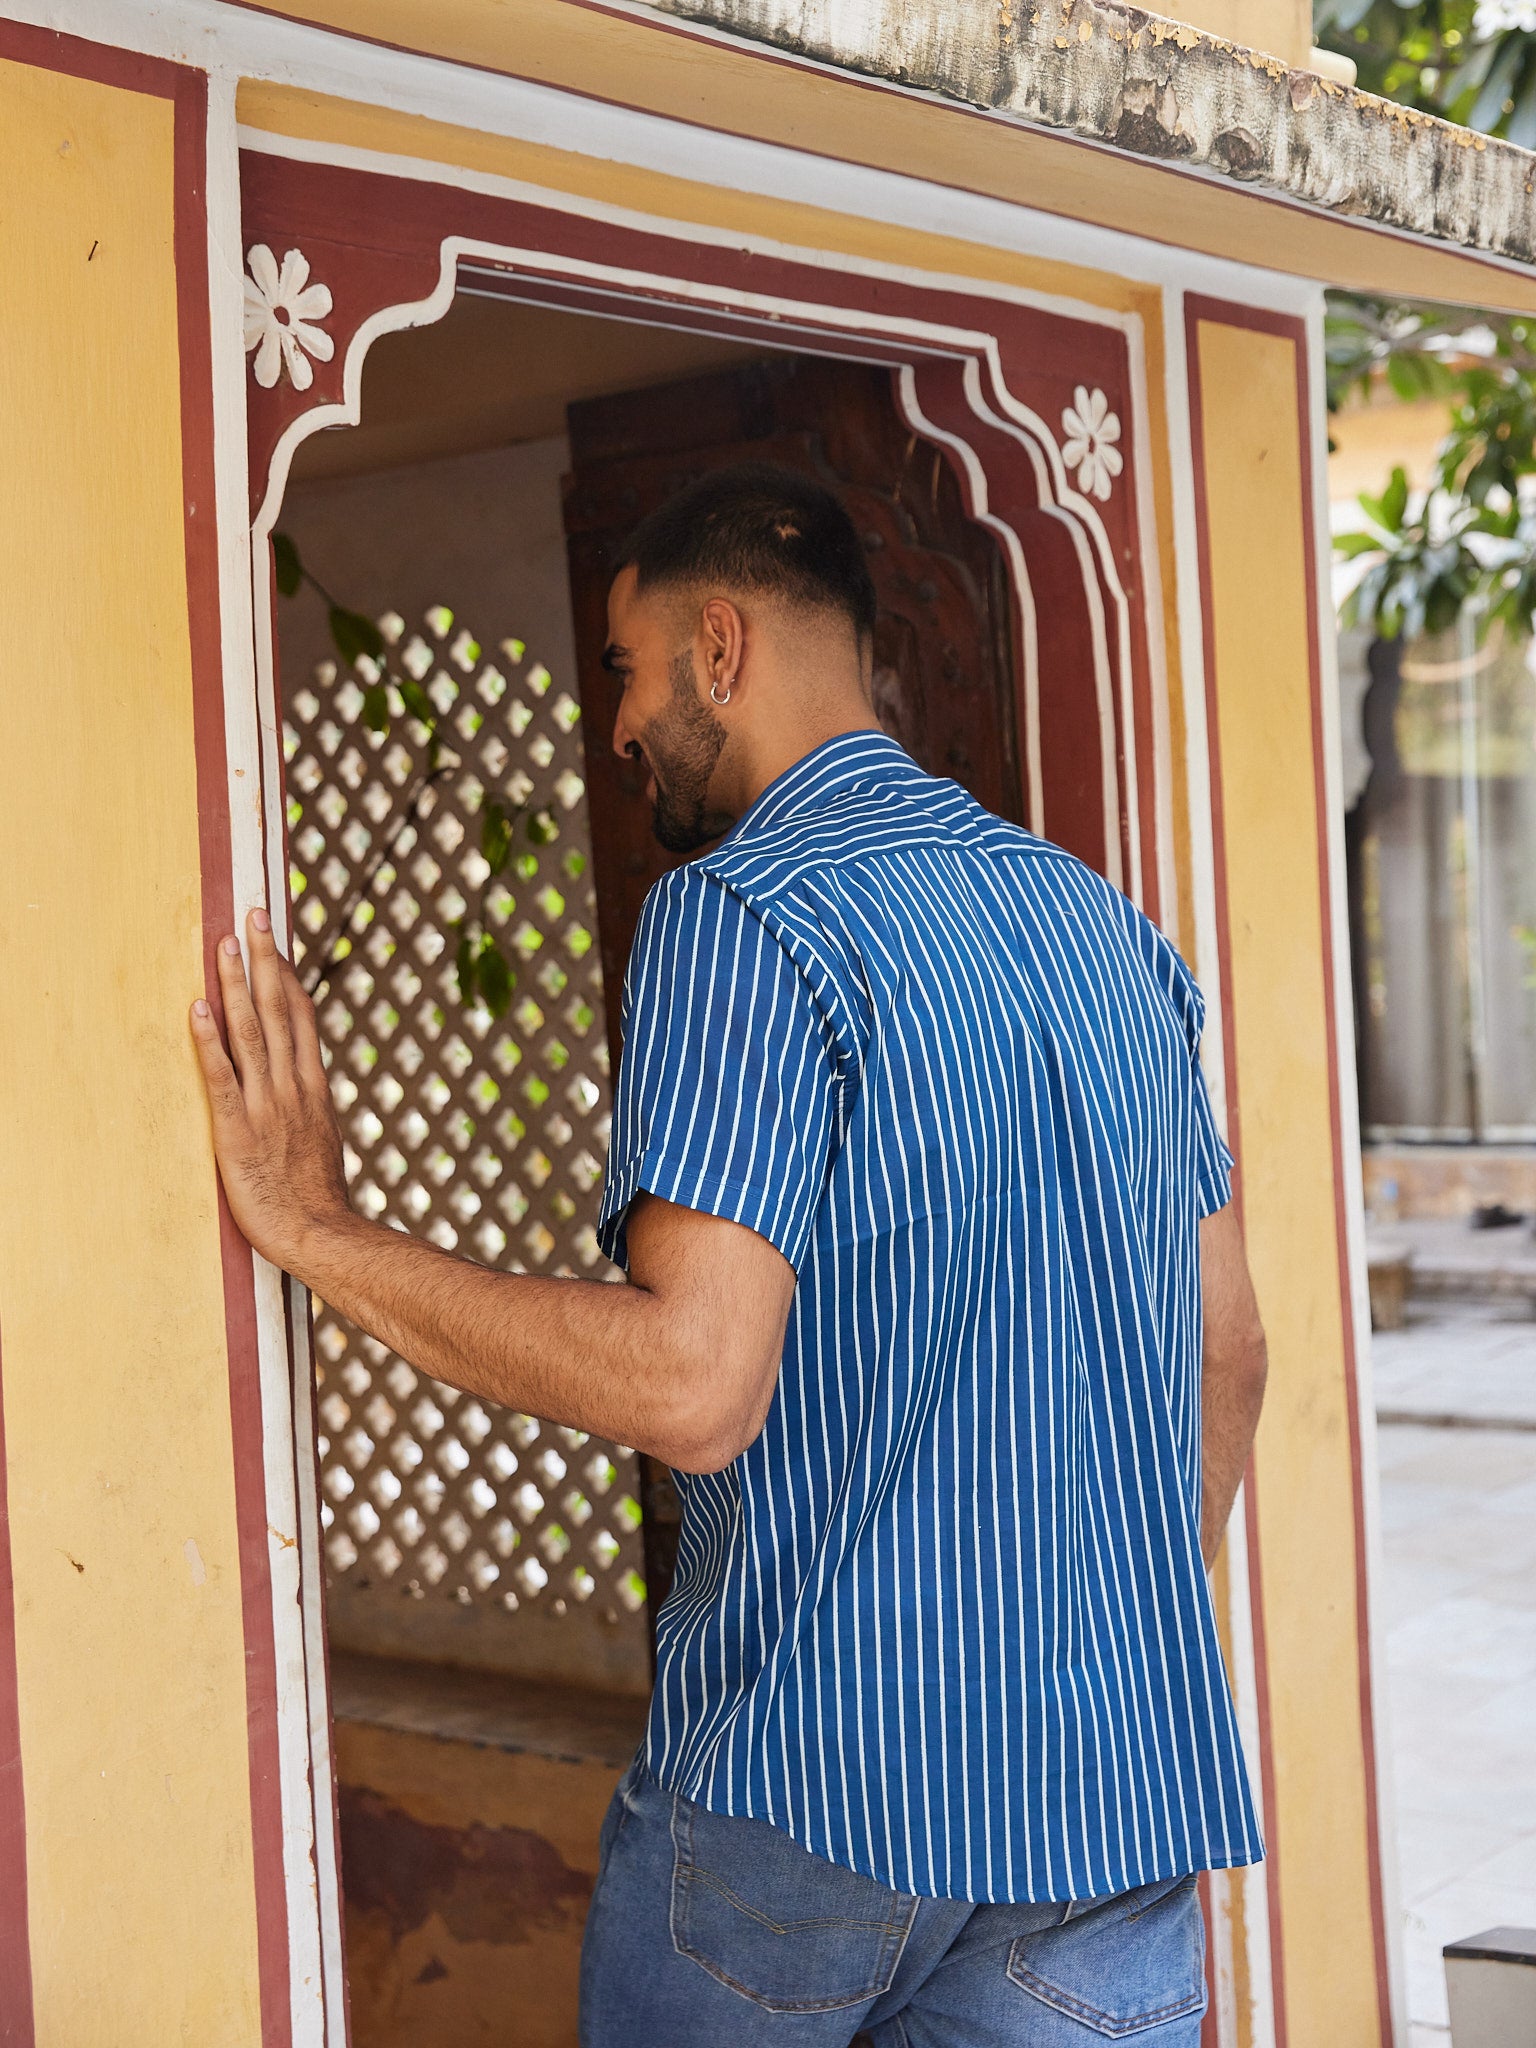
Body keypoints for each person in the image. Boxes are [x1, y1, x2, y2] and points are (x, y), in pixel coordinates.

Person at [191, 461, 1269, 2046]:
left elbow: (693, 1384)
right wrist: (1095, 1652)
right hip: (1114, 1802)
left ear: (717, 647)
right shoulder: (1112, 932)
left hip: (820, 1797)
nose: (614, 724)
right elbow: (1227, 1352)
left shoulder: (745, 915)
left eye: (623, 673)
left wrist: (316, 1229)